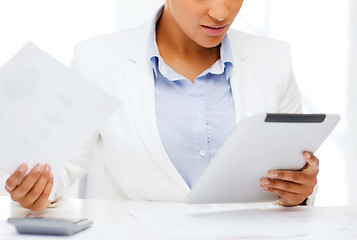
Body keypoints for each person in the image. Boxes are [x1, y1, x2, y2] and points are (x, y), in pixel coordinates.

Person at [5, 0, 319, 211]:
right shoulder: (97, 60)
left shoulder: (274, 59)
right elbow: (61, 170)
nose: (221, 11)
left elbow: (294, 175)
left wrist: (299, 193)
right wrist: (37, 193)